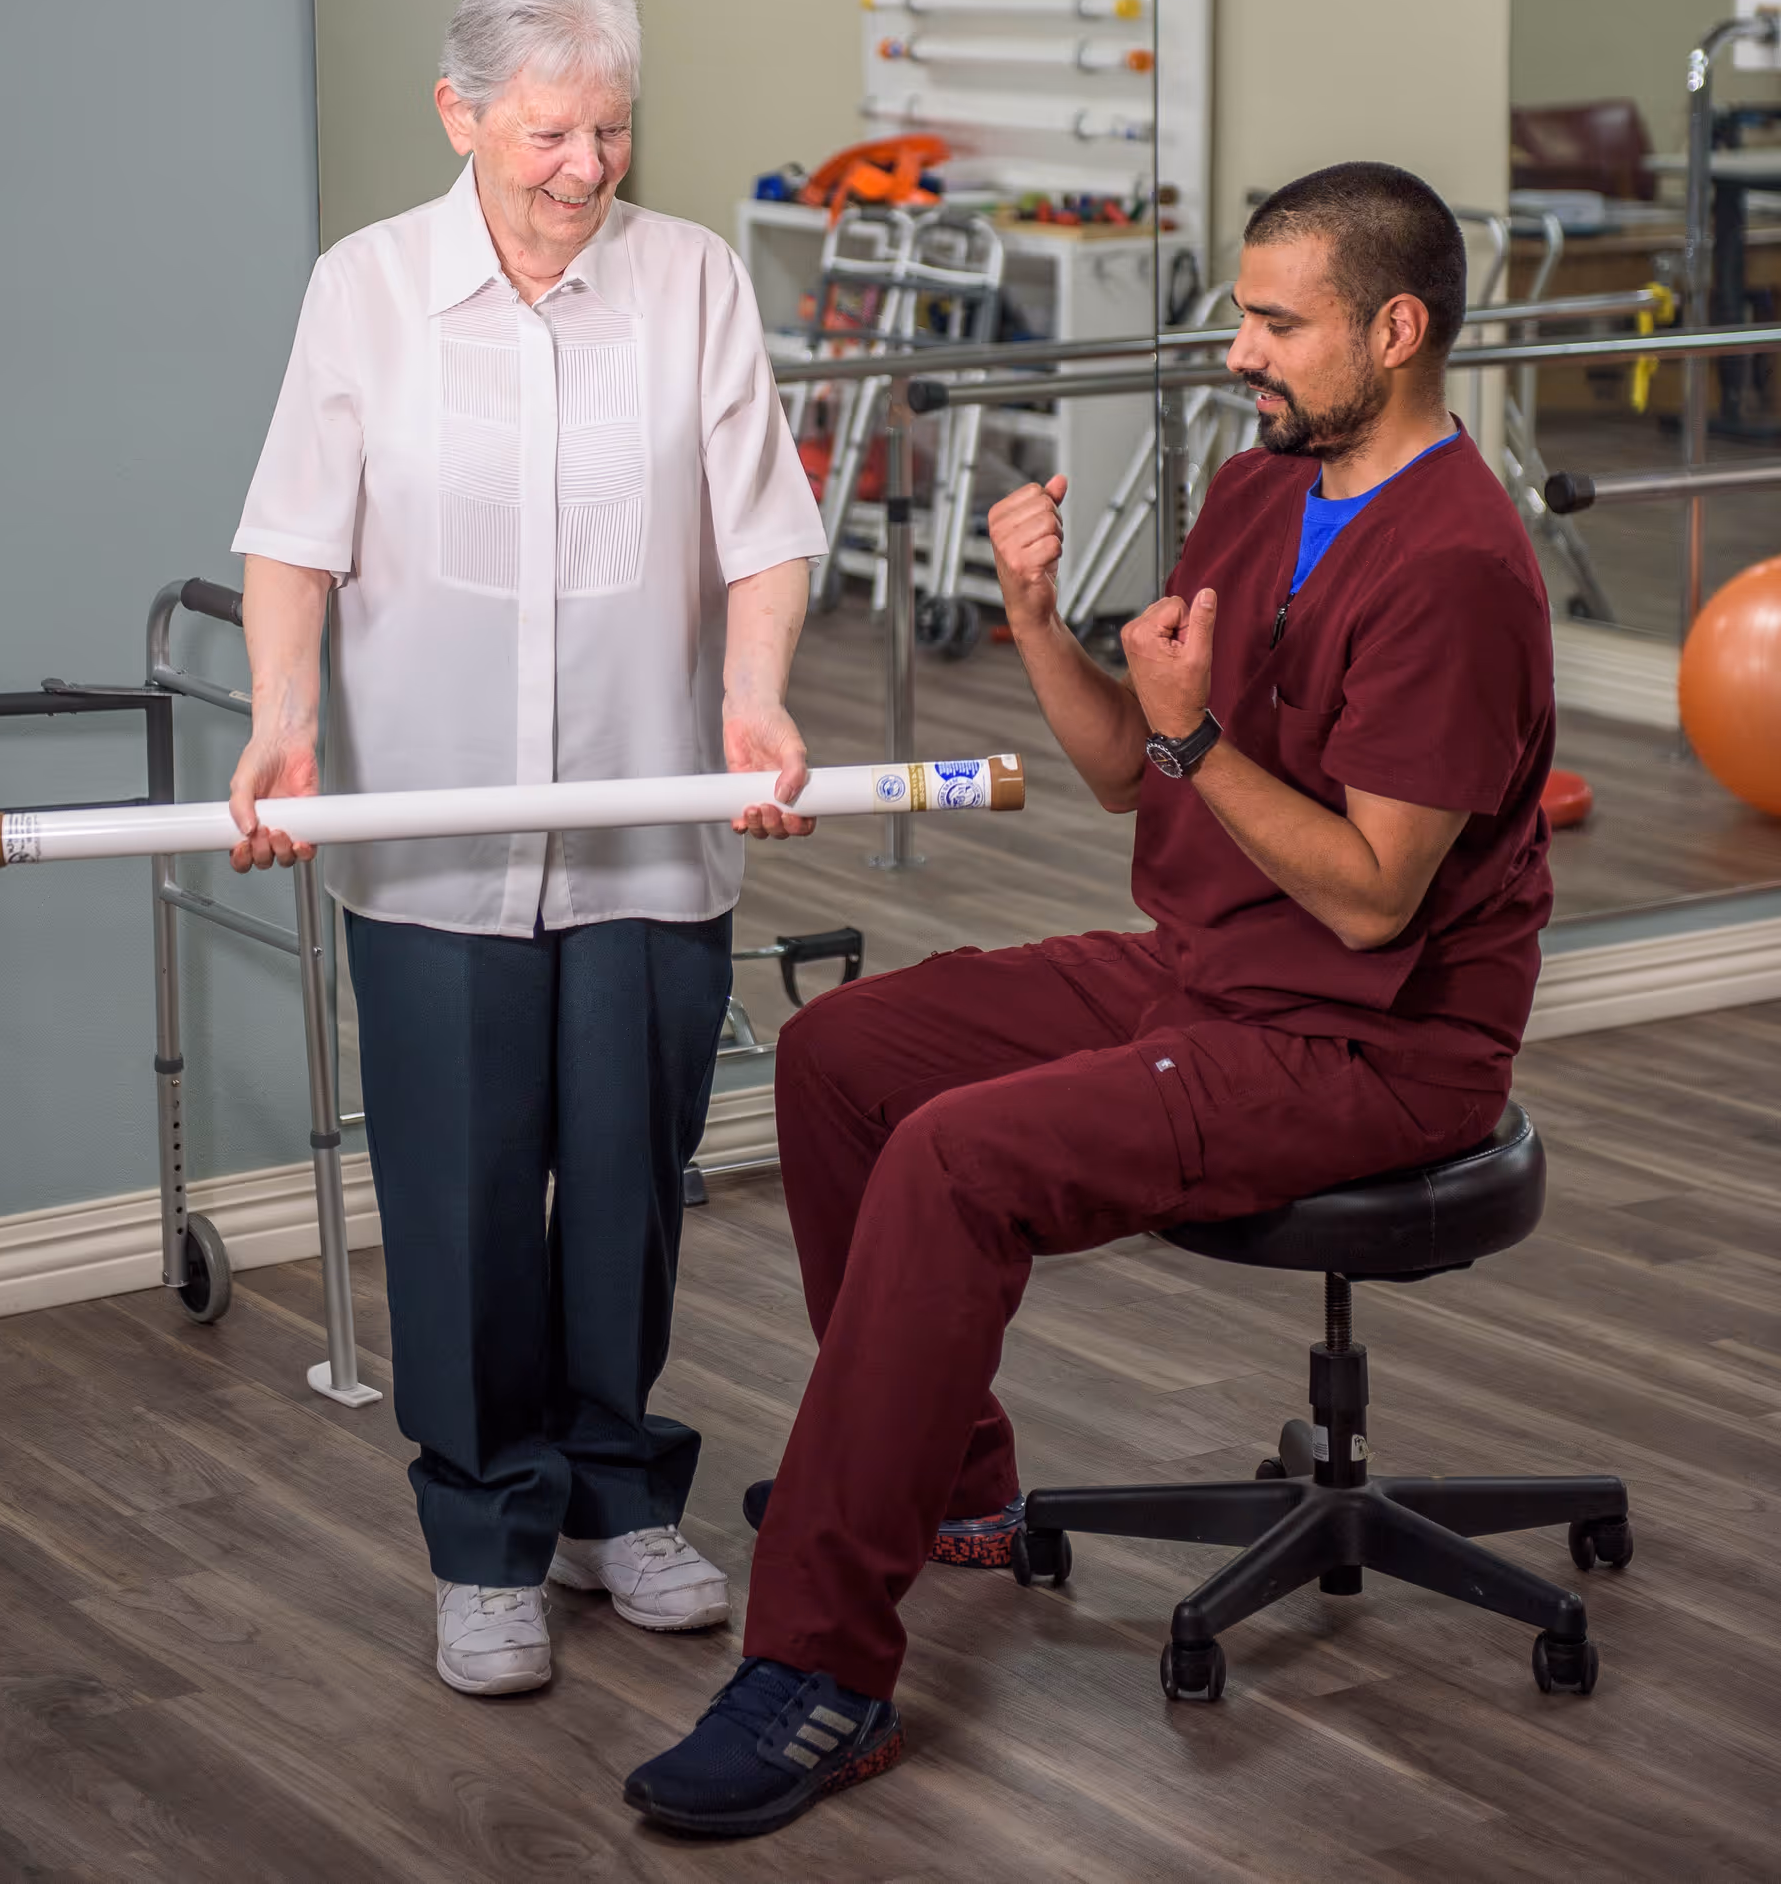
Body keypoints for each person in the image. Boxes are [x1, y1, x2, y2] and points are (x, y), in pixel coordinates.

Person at [624, 160, 1554, 1841]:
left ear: (1398, 330)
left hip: (1372, 1043)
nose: (1239, 353)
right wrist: (1046, 624)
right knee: (841, 1058)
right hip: (1209, 973)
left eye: (1278, 322)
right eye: (1242, 317)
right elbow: (1133, 772)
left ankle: (824, 1672)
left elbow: (1371, 892)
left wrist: (1198, 733)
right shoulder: (1272, 488)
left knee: (959, 1163)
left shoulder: (1463, 571)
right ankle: (954, 1490)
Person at [228, 0, 826, 1698]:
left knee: (632, 1187)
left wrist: (757, 689)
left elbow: (768, 526)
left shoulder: (693, 281)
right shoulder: (368, 290)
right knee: (468, 1193)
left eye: (611, 132)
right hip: (436, 841)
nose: (585, 169)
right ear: (461, 115)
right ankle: (487, 1528)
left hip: (652, 832)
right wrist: (283, 721)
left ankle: (613, 1494)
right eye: (551, 132)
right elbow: (296, 530)